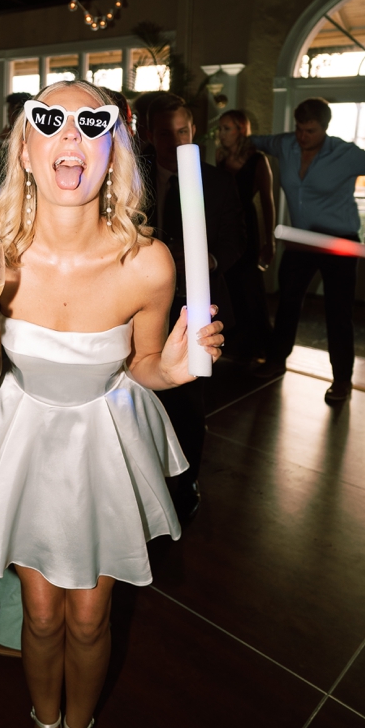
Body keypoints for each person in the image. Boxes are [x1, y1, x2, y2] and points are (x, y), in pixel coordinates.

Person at [0, 80, 223, 728]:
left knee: (93, 617)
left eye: (90, 122)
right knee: (40, 616)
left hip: (103, 439)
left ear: (113, 151)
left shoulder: (149, 263)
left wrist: (180, 367)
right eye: (50, 119)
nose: (70, 134)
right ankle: (44, 725)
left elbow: (143, 363)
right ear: (27, 148)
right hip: (24, 437)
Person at [252, 97, 365, 404]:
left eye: (310, 130)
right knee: (287, 304)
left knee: (338, 313)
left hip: (340, 242)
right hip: (300, 240)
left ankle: (342, 381)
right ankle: (275, 362)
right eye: (299, 129)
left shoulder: (345, 154)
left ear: (324, 128)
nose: (302, 136)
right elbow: (253, 142)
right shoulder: (285, 145)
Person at [146, 95, 245, 523]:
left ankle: (185, 480)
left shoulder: (217, 182)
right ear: (150, 135)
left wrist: (209, 260)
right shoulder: (131, 179)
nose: (174, 141)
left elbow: (236, 236)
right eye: (165, 133)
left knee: (187, 401)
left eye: (182, 132)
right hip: (142, 303)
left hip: (193, 302)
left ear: (194, 133)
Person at [215, 109, 275, 361]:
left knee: (250, 284)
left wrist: (269, 240)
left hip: (248, 225)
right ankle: (232, 344)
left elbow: (267, 200)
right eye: (220, 128)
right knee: (229, 282)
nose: (221, 134)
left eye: (226, 128)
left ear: (241, 129)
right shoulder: (219, 156)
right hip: (224, 224)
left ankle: (258, 345)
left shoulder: (258, 159)